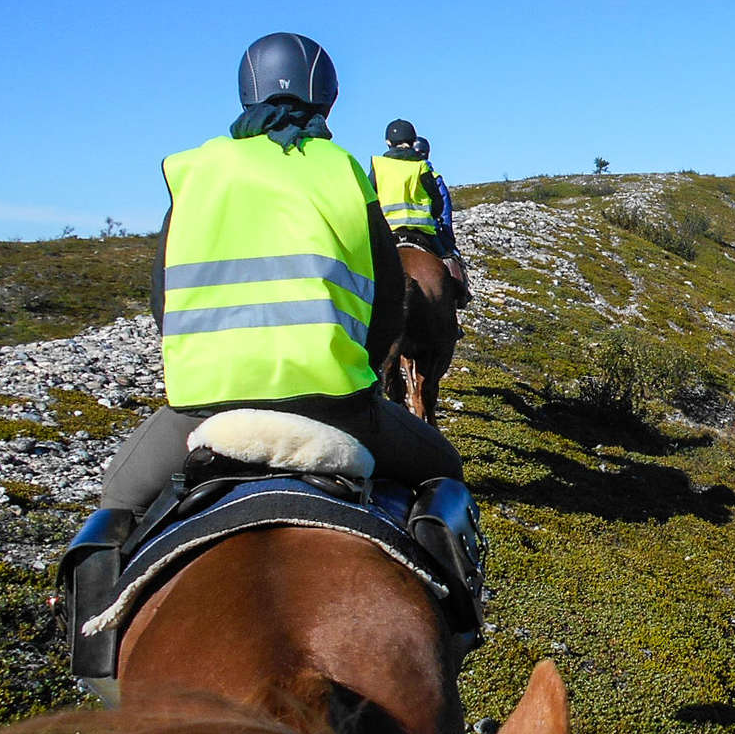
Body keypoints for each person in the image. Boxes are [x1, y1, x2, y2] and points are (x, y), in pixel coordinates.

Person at [98, 33, 464, 515]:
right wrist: (361, 375)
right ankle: (454, 588)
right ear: (327, 99)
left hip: (206, 407)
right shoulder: (343, 170)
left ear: (247, 92)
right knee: (445, 475)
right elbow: (388, 301)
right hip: (337, 406)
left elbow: (163, 304)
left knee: (116, 507)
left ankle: (83, 589)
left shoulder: (194, 173)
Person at [413, 135, 473, 307]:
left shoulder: (392, 172)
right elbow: (444, 209)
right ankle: (460, 296)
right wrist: (448, 237)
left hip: (393, 228)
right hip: (426, 228)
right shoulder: (432, 175)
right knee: (451, 257)